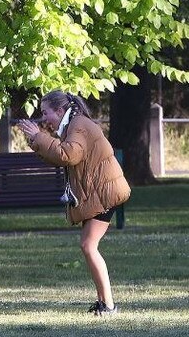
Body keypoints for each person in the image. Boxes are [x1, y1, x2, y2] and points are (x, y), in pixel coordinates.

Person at [17, 90, 131, 316]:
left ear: (59, 110)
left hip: (105, 193)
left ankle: (108, 305)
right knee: (88, 246)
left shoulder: (78, 124)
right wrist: (35, 139)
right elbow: (58, 156)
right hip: (98, 193)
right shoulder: (72, 125)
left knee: (88, 246)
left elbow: (69, 155)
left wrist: (39, 136)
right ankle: (103, 303)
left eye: (45, 112)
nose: (44, 118)